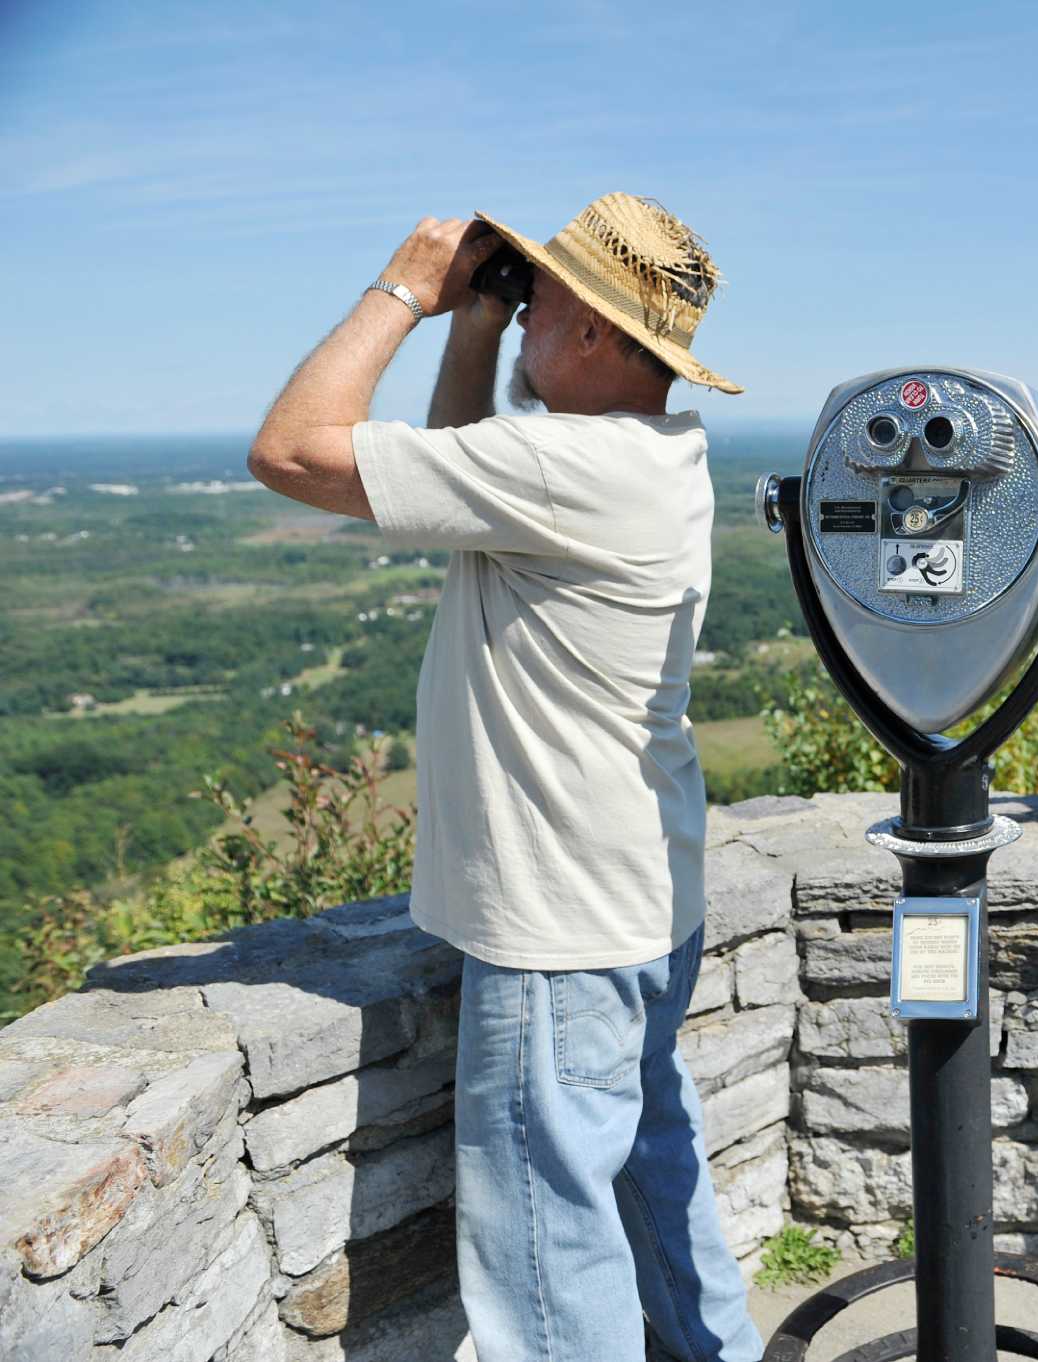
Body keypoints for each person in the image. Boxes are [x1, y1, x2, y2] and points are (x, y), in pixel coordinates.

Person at [247, 194, 762, 1362]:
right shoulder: (645, 453)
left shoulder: (569, 463)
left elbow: (289, 451)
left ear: (592, 339)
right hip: (637, 898)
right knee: (648, 1175)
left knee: (544, 1254)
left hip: (558, 930)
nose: (523, 312)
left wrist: (404, 290)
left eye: (543, 302)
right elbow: (456, 480)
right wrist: (476, 332)